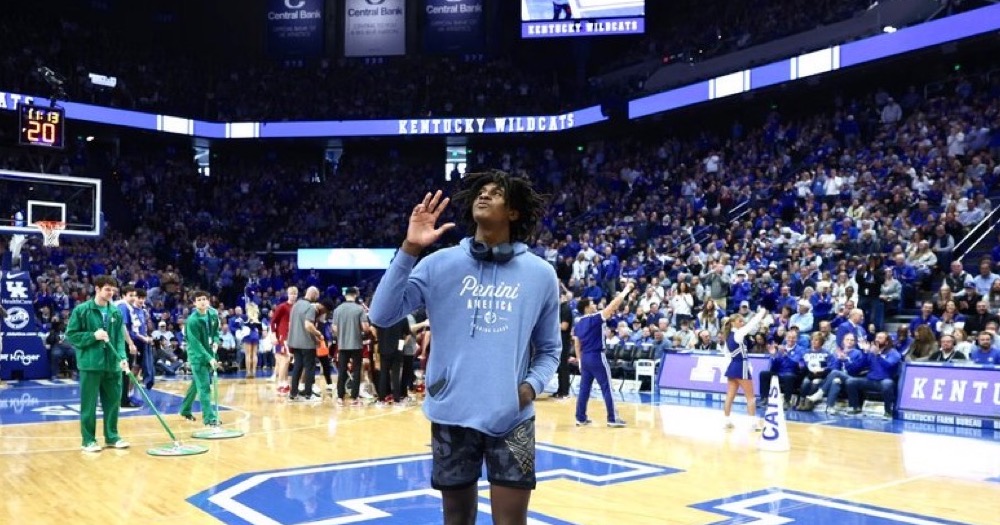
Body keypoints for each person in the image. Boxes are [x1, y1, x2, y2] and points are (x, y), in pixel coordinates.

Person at [368, 170, 560, 525]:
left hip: (512, 418)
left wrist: (528, 389)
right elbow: (381, 314)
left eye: (495, 193)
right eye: (480, 192)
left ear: (514, 212)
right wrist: (410, 248)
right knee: (456, 519)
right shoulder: (438, 264)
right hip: (450, 413)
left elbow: (550, 349)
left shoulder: (541, 273)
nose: (483, 196)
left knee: (511, 522)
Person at [65, 275, 130, 452]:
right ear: (97, 289)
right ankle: (88, 440)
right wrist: (93, 336)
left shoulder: (115, 312)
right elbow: (70, 335)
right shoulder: (82, 310)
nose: (111, 293)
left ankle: (112, 436)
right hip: (90, 365)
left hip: (112, 365)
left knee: (113, 402)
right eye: (107, 289)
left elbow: (118, 340)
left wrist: (122, 358)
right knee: (89, 404)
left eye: (113, 290)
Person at [572, 280, 635, 427]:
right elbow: (613, 306)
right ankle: (612, 418)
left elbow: (576, 343)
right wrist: (626, 290)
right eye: (592, 304)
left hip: (585, 358)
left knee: (584, 389)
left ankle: (580, 418)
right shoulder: (594, 318)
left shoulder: (578, 323)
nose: (595, 305)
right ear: (587, 308)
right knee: (606, 386)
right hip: (596, 356)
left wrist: (580, 361)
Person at [720, 306, 769, 430]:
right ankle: (753, 424)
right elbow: (752, 324)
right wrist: (762, 312)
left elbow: (727, 354)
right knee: (750, 396)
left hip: (732, 366)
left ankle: (726, 421)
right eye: (740, 321)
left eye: (742, 321)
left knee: (730, 396)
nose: (742, 323)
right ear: (733, 323)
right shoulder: (738, 333)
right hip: (741, 366)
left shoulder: (728, 336)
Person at [179, 291, 221, 426]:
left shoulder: (213, 314)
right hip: (197, 356)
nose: (202, 301)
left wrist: (215, 341)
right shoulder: (192, 321)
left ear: (208, 300)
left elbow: (216, 332)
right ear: (194, 303)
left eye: (204, 299)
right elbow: (195, 344)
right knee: (204, 387)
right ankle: (209, 418)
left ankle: (185, 410)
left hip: (209, 352)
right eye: (199, 299)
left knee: (196, 385)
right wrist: (209, 358)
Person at [332, 287, 370, 406]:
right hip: (356, 344)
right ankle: (354, 398)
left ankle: (340, 397)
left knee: (342, 371)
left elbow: (334, 328)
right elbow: (365, 327)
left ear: (345, 295)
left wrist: (342, 335)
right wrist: (362, 332)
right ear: (355, 295)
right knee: (357, 370)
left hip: (342, 345)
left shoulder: (338, 309)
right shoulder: (359, 309)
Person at [287, 286, 324, 402]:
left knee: (297, 367)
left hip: (295, 342)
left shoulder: (296, 305)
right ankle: (308, 394)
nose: (316, 299)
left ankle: (293, 394)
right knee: (309, 368)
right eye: (316, 296)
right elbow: (308, 325)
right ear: (313, 294)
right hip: (307, 343)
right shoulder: (310, 308)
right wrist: (318, 334)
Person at [270, 286, 298, 395]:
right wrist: (273, 335)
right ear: (288, 294)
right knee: (284, 360)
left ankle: (285, 383)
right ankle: (280, 384)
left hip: (293, 336)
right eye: (291, 293)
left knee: (287, 360)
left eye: (295, 293)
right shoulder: (282, 307)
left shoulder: (297, 307)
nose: (293, 295)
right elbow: (273, 321)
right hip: (283, 336)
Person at [553, 288, 575, 399]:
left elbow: (564, 326)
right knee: (560, 367)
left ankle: (564, 391)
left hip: (564, 341)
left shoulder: (566, 308)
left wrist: (551, 325)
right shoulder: (560, 308)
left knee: (563, 367)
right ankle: (560, 390)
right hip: (559, 341)